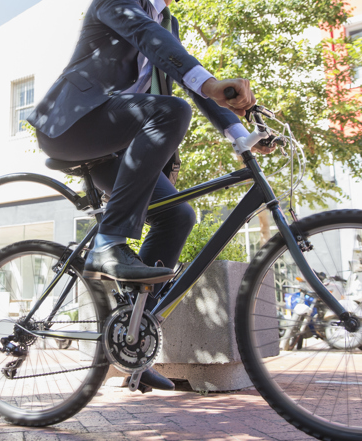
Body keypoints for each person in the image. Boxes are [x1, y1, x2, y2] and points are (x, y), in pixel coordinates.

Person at [28, 0, 264, 390]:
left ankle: (133, 341)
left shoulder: (166, 19)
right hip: (71, 123)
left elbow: (189, 78)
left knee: (178, 216)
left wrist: (242, 134)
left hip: (115, 142)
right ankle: (108, 243)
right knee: (171, 111)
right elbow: (147, 36)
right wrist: (209, 81)